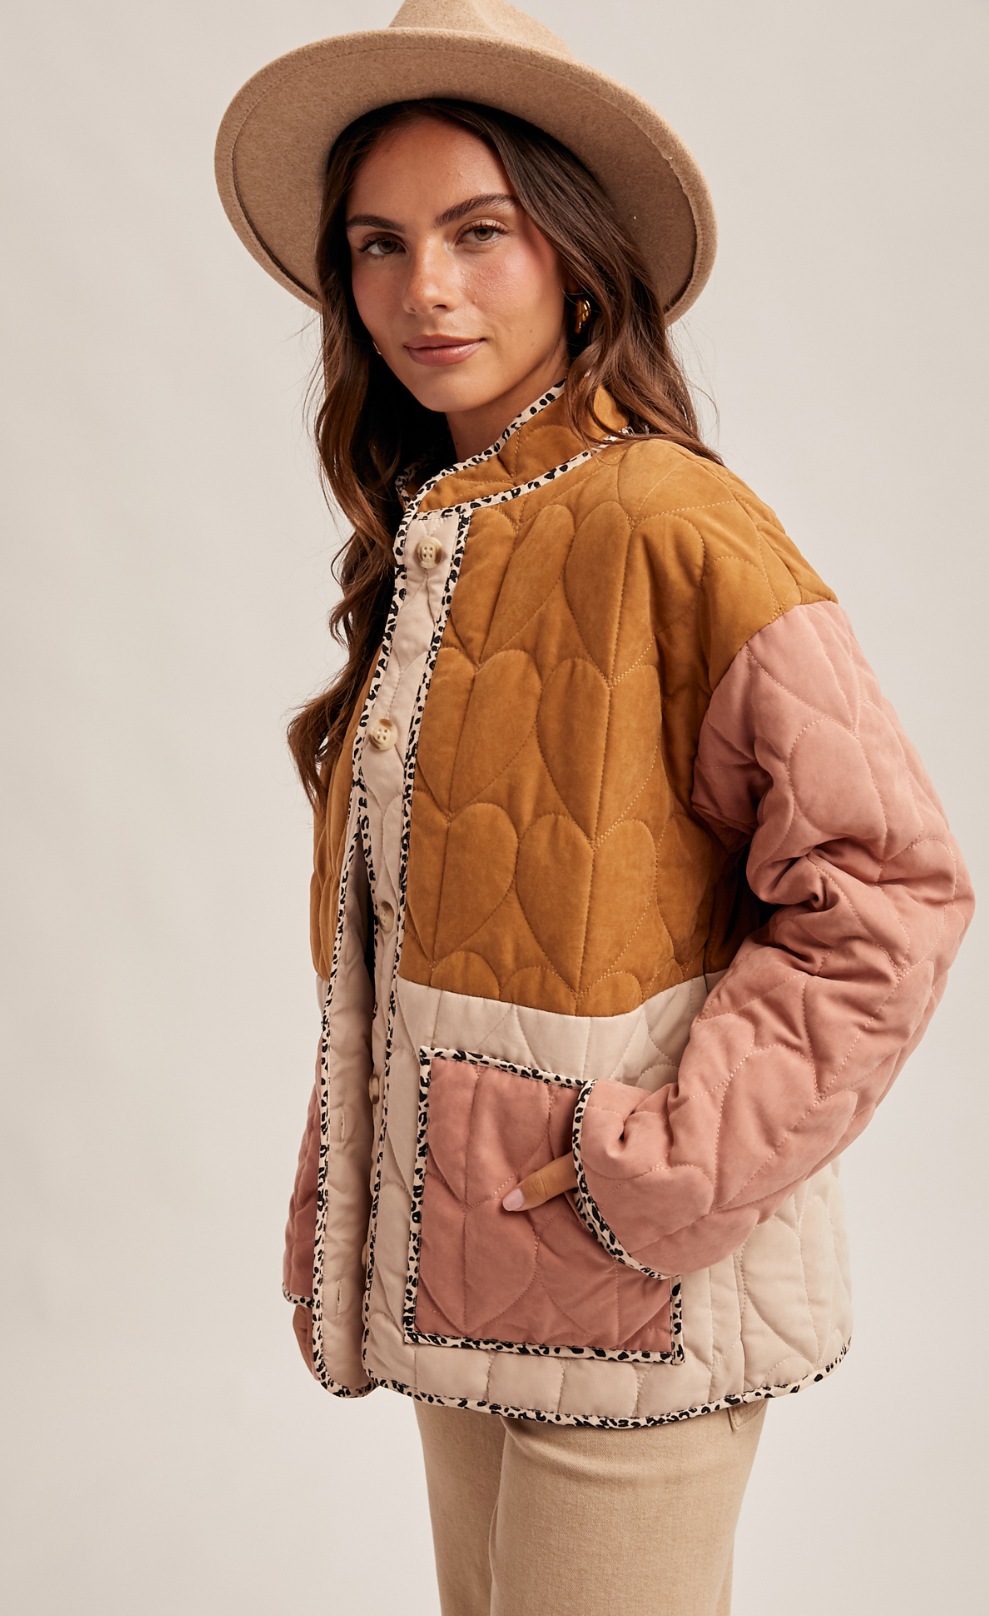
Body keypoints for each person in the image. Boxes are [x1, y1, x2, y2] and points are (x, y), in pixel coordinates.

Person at [215, 4, 974, 1613]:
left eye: (478, 231)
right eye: (379, 242)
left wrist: (663, 1173)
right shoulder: (443, 535)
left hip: (630, 1279)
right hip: (470, 1266)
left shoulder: (667, 518)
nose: (422, 288)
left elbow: (890, 888)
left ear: (572, 253)